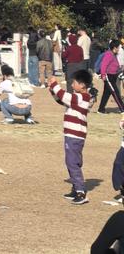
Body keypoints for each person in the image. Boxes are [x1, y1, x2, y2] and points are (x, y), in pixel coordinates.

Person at [48, 69, 93, 205]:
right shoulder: (77, 98)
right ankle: (75, 188)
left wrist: (54, 84)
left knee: (72, 163)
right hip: (72, 135)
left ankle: (80, 192)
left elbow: (64, 96)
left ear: (82, 85)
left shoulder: (82, 97)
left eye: (74, 83)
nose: (72, 85)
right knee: (71, 161)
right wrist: (52, 90)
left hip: (75, 136)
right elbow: (61, 100)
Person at [98, 40, 124, 114]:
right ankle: (122, 109)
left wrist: (120, 70)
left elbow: (115, 65)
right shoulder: (109, 54)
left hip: (113, 76)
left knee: (106, 93)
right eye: (118, 47)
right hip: (108, 76)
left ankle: (101, 109)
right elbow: (104, 65)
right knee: (115, 92)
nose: (119, 49)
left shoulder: (113, 54)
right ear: (114, 48)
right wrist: (103, 75)